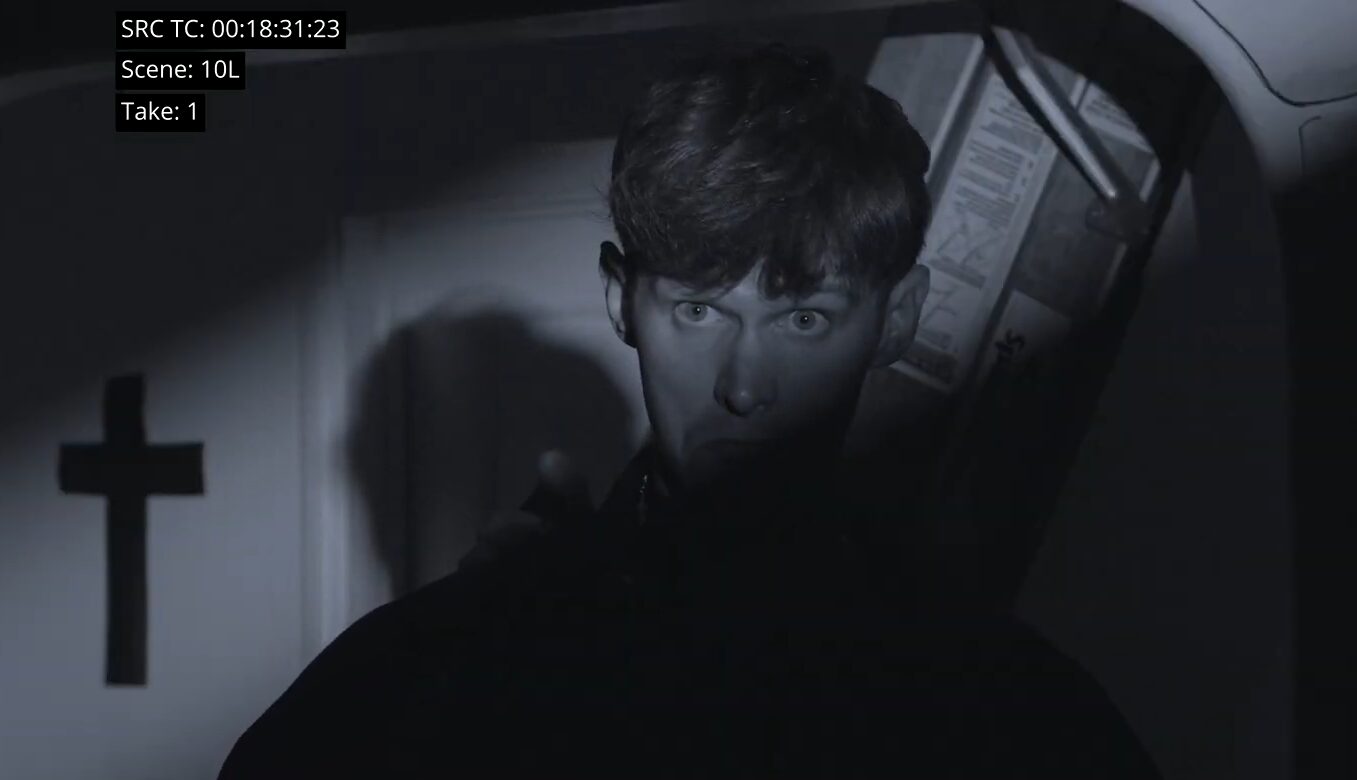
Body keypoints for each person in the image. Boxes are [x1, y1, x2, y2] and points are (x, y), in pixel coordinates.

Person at [219, 41, 1160, 778]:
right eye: (700, 309)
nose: (743, 385)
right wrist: (470, 658)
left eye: (803, 318)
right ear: (621, 301)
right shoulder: (436, 668)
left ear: (898, 317)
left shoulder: (996, 706)